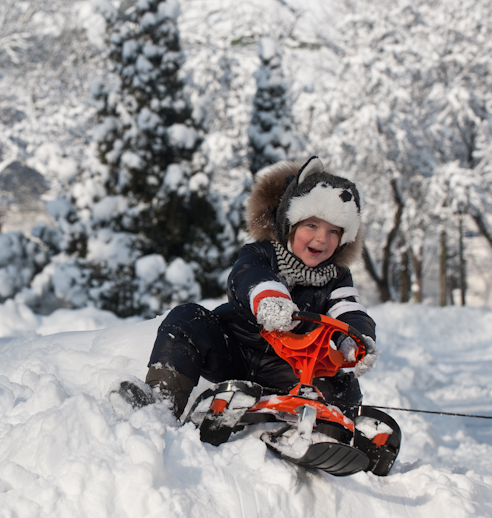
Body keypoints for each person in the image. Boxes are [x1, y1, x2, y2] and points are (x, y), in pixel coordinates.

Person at [140, 156, 377, 419]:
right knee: (186, 319)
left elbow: (348, 308)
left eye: (334, 231)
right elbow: (248, 276)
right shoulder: (261, 253)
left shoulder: (336, 277)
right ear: (289, 224)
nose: (322, 238)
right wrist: (269, 298)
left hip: (288, 369)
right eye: (312, 225)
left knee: (342, 384)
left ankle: (333, 432)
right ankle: (161, 402)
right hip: (233, 350)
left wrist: (354, 338)